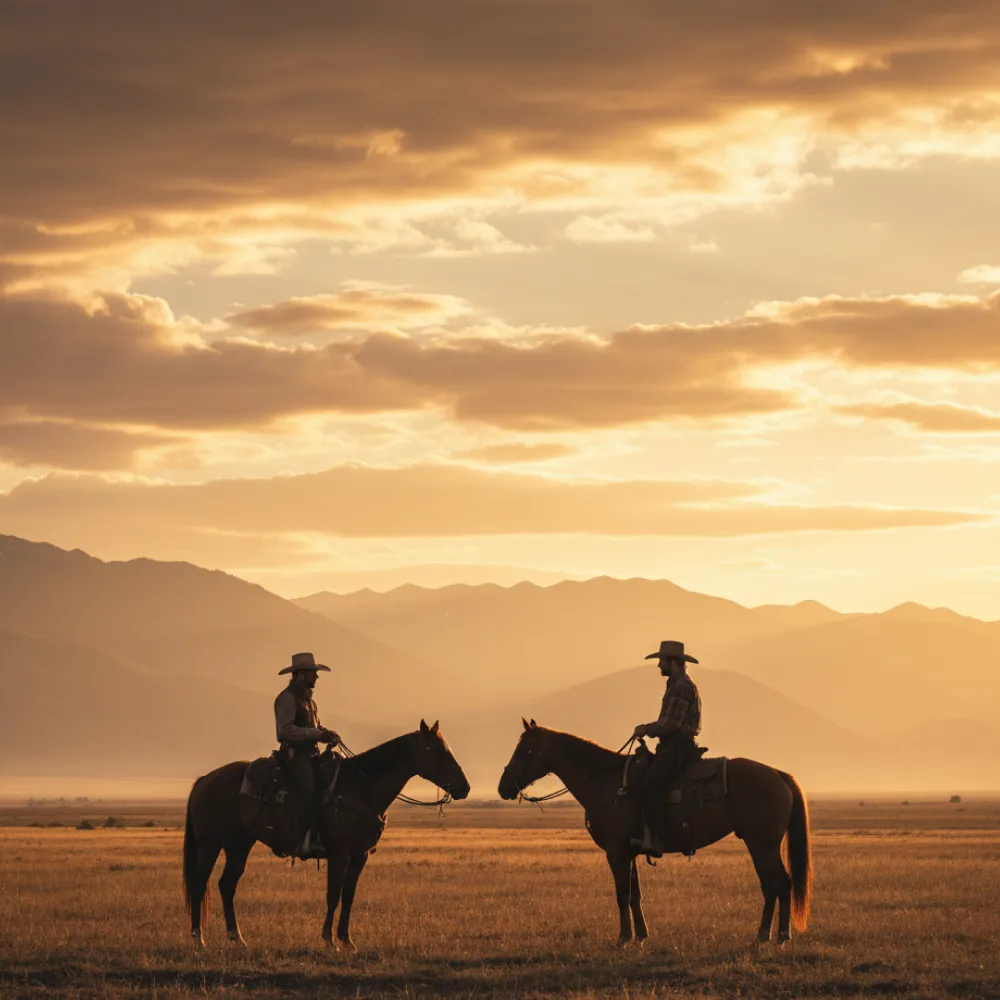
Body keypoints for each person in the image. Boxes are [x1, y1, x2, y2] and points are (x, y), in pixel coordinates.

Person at [632, 639, 702, 856]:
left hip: (677, 747)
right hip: (675, 746)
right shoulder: (679, 683)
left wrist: (647, 729)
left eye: (661, 660)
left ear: (672, 662)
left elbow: (671, 724)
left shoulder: (680, 686)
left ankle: (657, 838)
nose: (658, 665)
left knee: (651, 785)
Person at [274, 652, 340, 856]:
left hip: (311, 754)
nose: (316, 677)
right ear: (301, 674)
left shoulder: (308, 700)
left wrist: (326, 733)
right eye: (313, 673)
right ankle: (297, 839)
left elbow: (315, 726)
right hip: (296, 755)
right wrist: (316, 734)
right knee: (308, 789)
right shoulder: (287, 698)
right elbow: (284, 730)